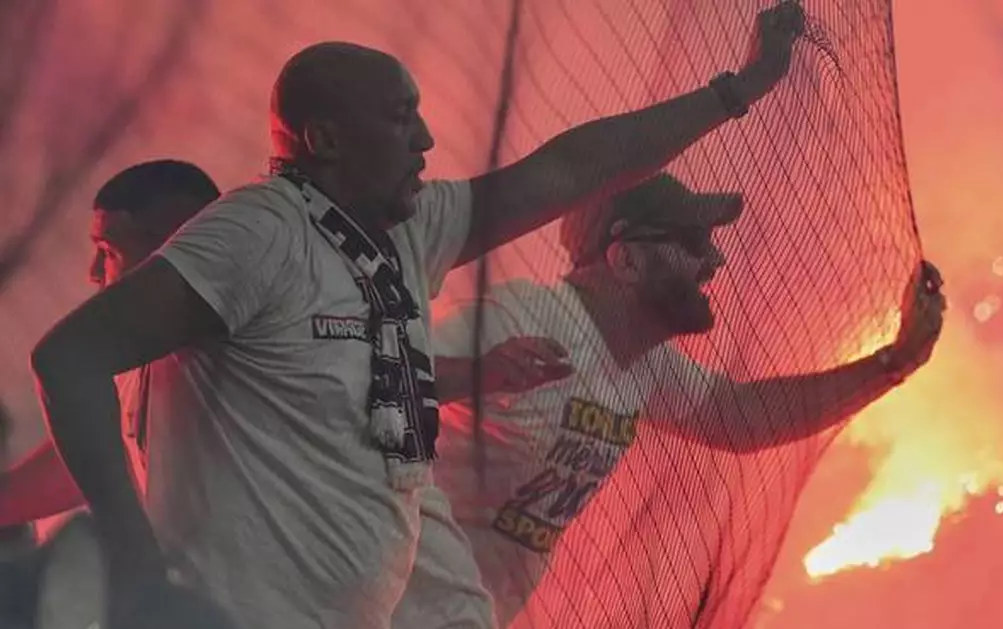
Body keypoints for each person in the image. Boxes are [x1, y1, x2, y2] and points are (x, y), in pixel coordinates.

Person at [28, 3, 810, 628]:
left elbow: (568, 170)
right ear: (325, 139)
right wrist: (135, 566)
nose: (426, 138)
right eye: (402, 118)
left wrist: (737, 91)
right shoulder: (261, 232)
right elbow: (69, 359)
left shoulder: (408, 228)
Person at [409, 172, 947, 625]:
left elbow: (738, 416)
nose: (714, 260)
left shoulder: (646, 364)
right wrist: (481, 371)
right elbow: (389, 377)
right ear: (626, 260)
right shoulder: (524, 317)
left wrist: (894, 364)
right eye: (690, 242)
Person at [0, 160, 222, 629]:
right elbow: (87, 456)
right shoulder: (139, 362)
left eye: (109, 249)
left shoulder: (227, 358)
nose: (94, 272)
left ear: (174, 244)